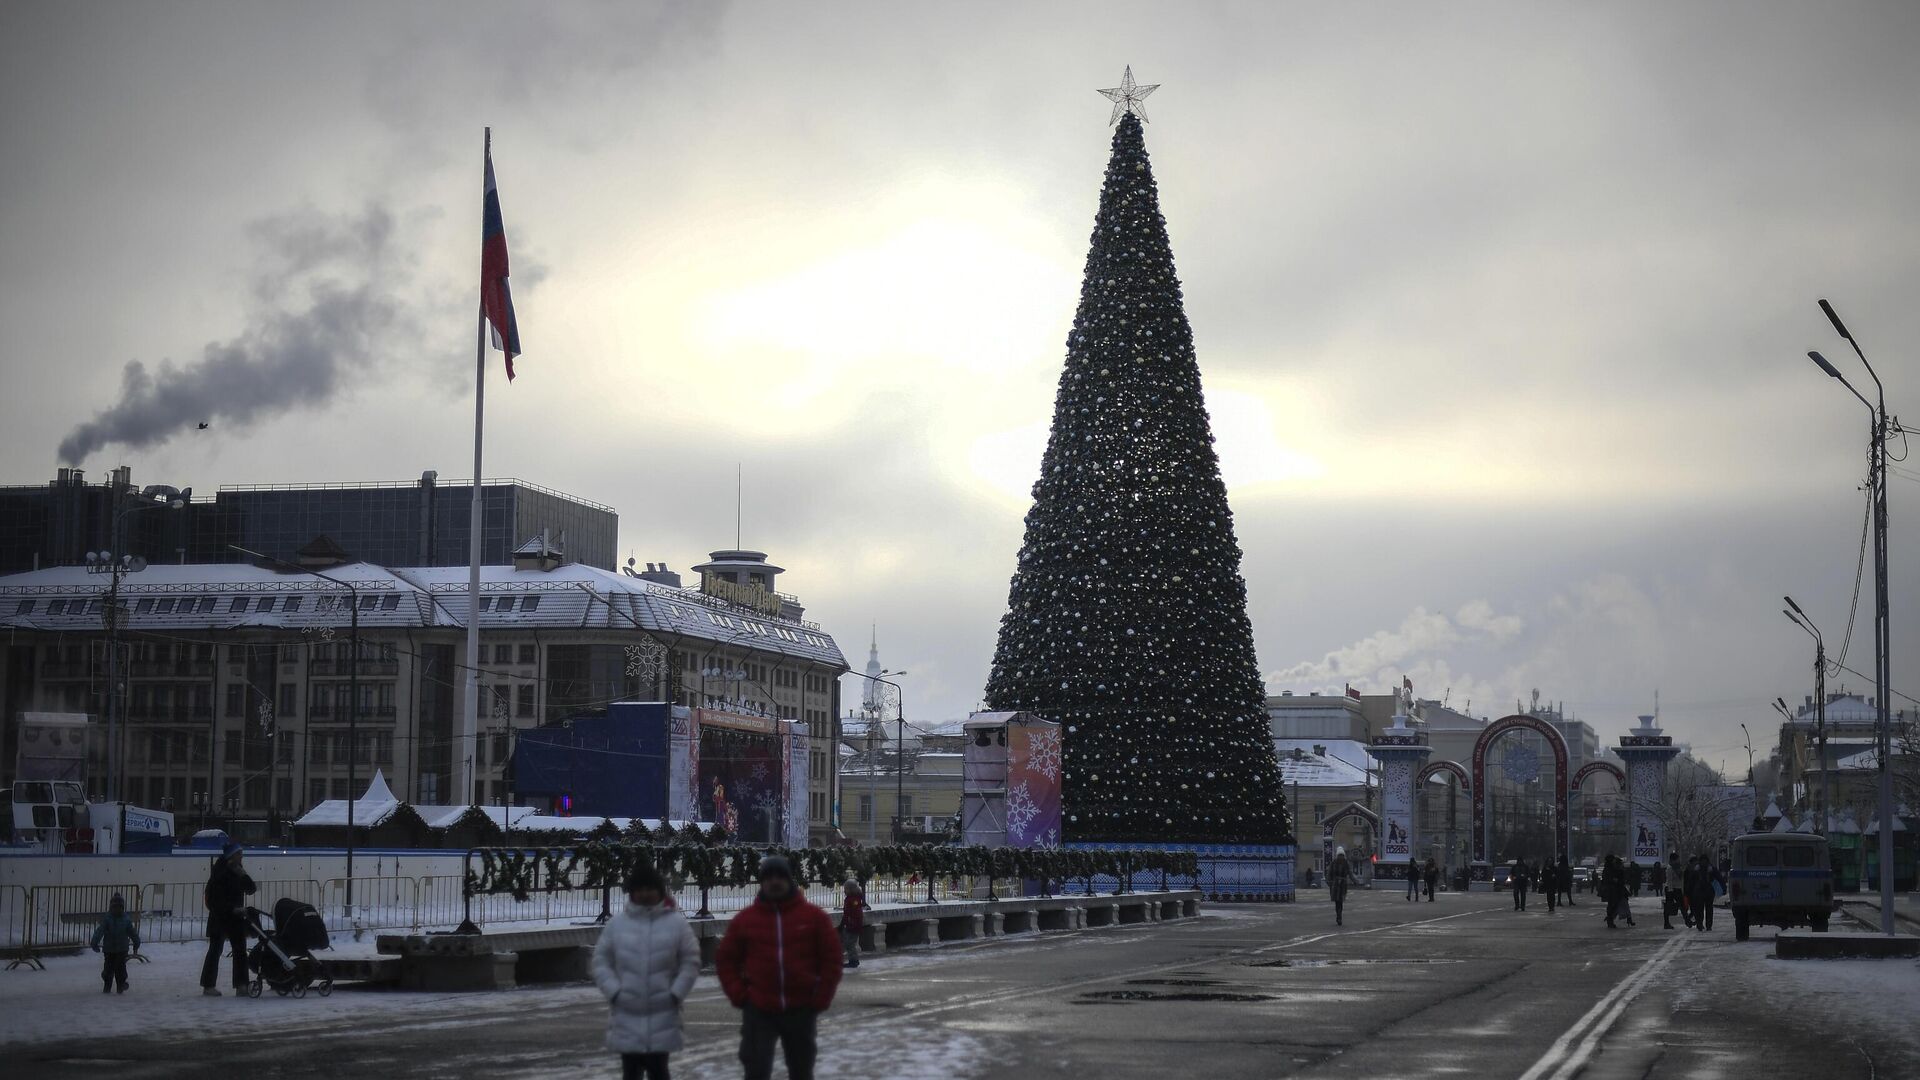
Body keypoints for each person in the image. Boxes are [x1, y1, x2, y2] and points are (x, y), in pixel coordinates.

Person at [716, 855, 842, 1080]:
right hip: (759, 1008)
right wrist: (740, 994)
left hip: (801, 1007)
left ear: (789, 880)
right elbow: (726, 959)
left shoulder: (813, 918)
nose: (775, 882)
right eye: (769, 877)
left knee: (801, 1070)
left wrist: (820, 996)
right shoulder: (746, 920)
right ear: (762, 882)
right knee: (756, 1069)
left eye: (780, 877)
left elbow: (831, 960)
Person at [593, 864, 700, 1080]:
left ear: (660, 891)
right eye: (639, 889)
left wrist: (675, 993)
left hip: (663, 1012)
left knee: (659, 1070)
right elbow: (601, 961)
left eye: (650, 888)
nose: (644, 894)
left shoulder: (676, 924)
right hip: (626, 1013)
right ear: (632, 892)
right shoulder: (617, 925)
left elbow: (690, 960)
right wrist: (614, 992)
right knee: (630, 1072)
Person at [199, 843, 255, 996]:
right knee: (215, 951)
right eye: (239, 854)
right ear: (232, 856)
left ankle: (241, 985)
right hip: (220, 917)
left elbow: (251, 889)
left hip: (235, 918)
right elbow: (214, 900)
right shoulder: (219, 873)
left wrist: (243, 874)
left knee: (240, 951)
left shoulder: (237, 871)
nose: (242, 857)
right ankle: (209, 985)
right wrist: (231, 909)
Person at [91, 892, 140, 994]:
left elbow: (132, 932)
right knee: (108, 969)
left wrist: (136, 942)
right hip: (109, 949)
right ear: (111, 908)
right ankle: (107, 986)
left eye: (119, 907)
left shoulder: (126, 919)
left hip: (122, 949)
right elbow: (100, 931)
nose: (117, 910)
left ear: (122, 908)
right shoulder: (107, 919)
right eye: (115, 907)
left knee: (120, 969)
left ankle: (120, 986)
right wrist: (94, 942)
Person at [839, 878, 866, 969]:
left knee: (850, 944)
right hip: (849, 925)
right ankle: (852, 960)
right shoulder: (850, 898)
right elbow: (846, 913)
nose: (844, 890)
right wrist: (842, 924)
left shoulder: (854, 900)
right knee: (847, 943)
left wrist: (852, 924)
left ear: (850, 889)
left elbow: (855, 914)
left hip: (853, 926)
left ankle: (853, 961)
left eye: (846, 888)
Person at [1327, 847, 1357, 926]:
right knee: (1338, 902)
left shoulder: (1346, 863)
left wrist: (1355, 881)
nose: (1341, 857)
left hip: (1342, 885)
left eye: (1342, 855)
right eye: (1339, 855)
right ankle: (1339, 916)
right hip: (1335, 885)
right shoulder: (1333, 863)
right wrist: (1329, 882)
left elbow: (1350, 873)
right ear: (1337, 855)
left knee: (1340, 902)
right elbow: (1329, 873)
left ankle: (1339, 916)